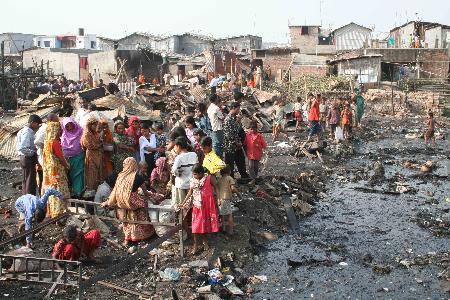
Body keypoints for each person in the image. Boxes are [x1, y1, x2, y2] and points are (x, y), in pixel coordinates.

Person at [101, 157, 157, 246]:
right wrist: (152, 195)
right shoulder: (138, 177)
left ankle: (127, 239)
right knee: (143, 206)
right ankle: (141, 237)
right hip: (132, 202)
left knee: (126, 220)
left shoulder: (120, 176)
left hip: (121, 202)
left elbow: (115, 190)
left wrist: (108, 202)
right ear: (134, 165)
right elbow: (146, 192)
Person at [178, 164, 219, 255]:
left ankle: (204, 241)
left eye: (195, 174)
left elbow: (216, 187)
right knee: (196, 226)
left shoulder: (209, 178)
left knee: (203, 225)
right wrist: (183, 202)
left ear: (201, 173)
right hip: (197, 206)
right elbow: (190, 192)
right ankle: (196, 244)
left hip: (207, 205)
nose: (194, 176)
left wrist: (218, 199)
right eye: (193, 174)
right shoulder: (193, 180)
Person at [42, 121, 70, 218]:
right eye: (59, 130)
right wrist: (67, 165)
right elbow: (61, 158)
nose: (60, 132)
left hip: (50, 172)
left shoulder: (46, 142)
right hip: (58, 171)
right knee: (60, 191)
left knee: (52, 191)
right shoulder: (55, 142)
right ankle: (60, 213)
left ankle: (53, 212)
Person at [16, 115, 42, 196]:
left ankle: (26, 198)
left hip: (24, 157)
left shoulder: (22, 131)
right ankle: (30, 200)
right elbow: (22, 147)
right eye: (37, 124)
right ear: (32, 123)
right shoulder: (27, 132)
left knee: (26, 179)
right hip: (27, 157)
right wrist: (33, 153)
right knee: (30, 181)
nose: (37, 126)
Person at [223, 102, 249, 179]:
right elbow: (228, 134)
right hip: (230, 146)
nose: (239, 111)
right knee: (230, 163)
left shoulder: (234, 118)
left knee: (241, 160)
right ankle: (231, 179)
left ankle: (244, 175)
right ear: (233, 108)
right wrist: (236, 142)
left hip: (237, 145)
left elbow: (238, 130)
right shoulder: (228, 119)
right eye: (238, 109)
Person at [34, 113, 59, 195]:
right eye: (56, 120)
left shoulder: (48, 127)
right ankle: (44, 199)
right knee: (46, 178)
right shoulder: (46, 128)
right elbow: (37, 142)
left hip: (46, 156)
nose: (57, 122)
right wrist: (47, 148)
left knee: (46, 178)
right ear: (51, 120)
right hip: (44, 157)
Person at [171, 137, 198, 206]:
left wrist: (178, 173)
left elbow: (174, 171)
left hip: (181, 184)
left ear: (178, 146)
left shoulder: (179, 158)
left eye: (175, 146)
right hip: (192, 184)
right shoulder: (194, 155)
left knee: (182, 205)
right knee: (191, 205)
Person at [61, 117, 84, 198]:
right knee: (69, 176)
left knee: (79, 175)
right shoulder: (64, 135)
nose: (70, 127)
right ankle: (72, 192)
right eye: (67, 126)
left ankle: (79, 192)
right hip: (67, 159)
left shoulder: (81, 131)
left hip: (79, 157)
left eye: (71, 125)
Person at [81, 117, 103, 196]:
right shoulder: (87, 134)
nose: (95, 127)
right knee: (91, 174)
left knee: (97, 174)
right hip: (91, 155)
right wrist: (100, 144)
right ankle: (90, 192)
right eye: (94, 125)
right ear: (89, 125)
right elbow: (90, 145)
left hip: (97, 155)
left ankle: (96, 192)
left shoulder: (95, 133)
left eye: (96, 125)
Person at [217, 166, 239, 234]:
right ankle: (231, 231)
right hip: (226, 198)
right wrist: (238, 194)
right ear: (229, 171)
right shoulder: (229, 178)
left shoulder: (219, 179)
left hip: (220, 199)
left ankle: (223, 228)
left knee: (222, 215)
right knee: (230, 214)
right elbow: (233, 188)